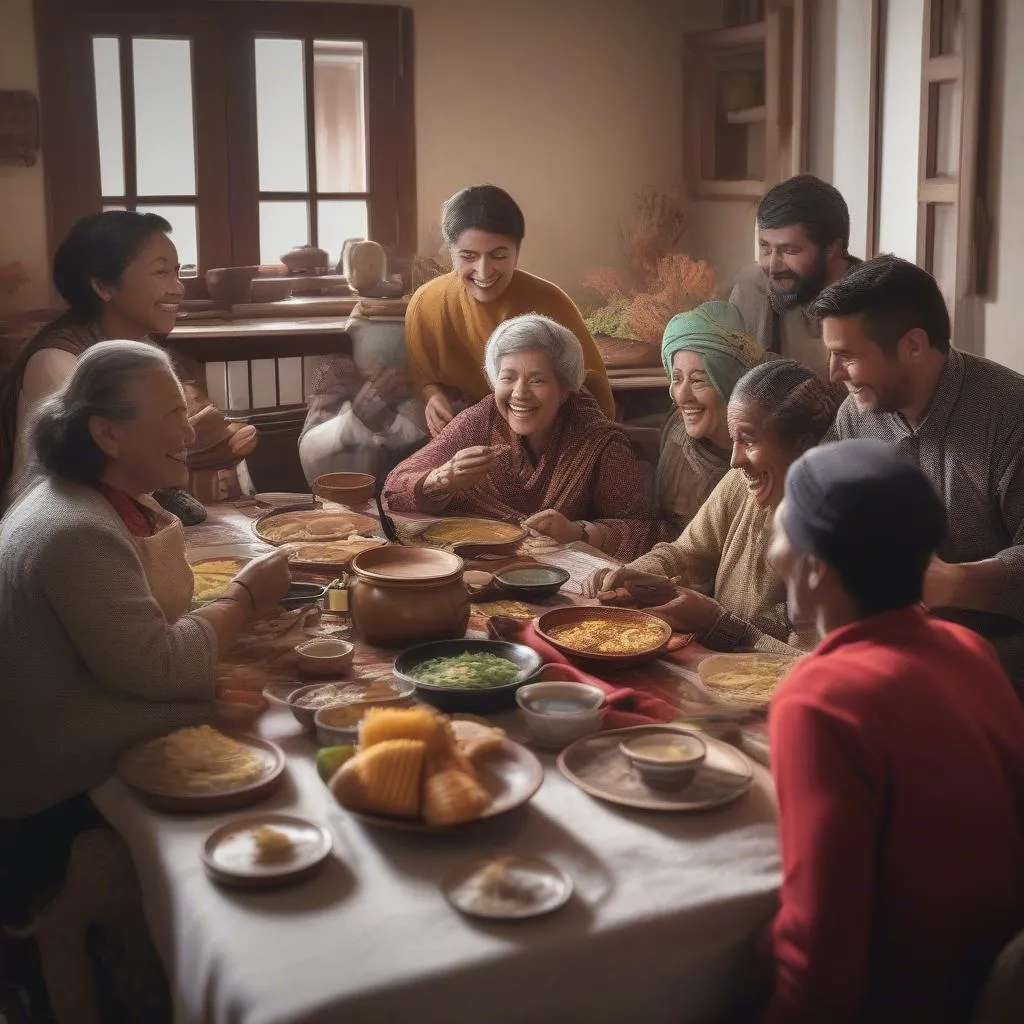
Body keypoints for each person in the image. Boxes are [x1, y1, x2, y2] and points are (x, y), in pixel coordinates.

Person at [0, 340, 290, 884]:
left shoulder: (108, 495)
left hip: (94, 705)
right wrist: (245, 598)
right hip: (48, 777)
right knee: (272, 729)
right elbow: (161, 668)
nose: (189, 433)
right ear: (107, 432)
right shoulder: (75, 528)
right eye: (173, 414)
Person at [761, 439, 1024, 1022]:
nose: (771, 549)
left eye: (781, 530)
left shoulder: (820, 701)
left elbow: (820, 954)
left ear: (813, 568)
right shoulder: (967, 648)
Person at [810, 255, 1024, 690]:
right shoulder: (857, 414)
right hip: (881, 655)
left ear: (913, 345)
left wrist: (949, 583)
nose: (832, 375)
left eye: (846, 356)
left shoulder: (1010, 414)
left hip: (993, 679)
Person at [0, 211, 250, 517]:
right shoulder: (59, 362)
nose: (178, 287)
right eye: (160, 273)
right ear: (103, 285)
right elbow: (77, 486)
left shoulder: (145, 351)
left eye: (177, 272)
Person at [599, 360, 836, 653]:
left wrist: (715, 623)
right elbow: (687, 552)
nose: (735, 461)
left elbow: (809, 670)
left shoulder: (838, 536)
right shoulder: (744, 482)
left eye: (748, 441)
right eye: (734, 440)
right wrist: (643, 573)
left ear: (804, 445)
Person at [384, 314, 655, 561]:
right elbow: (394, 489)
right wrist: (443, 478)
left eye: (537, 380)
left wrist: (578, 532)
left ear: (564, 390)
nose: (519, 393)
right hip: (477, 567)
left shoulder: (598, 442)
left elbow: (649, 532)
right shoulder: (481, 419)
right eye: (508, 378)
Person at [404, 184, 615, 434]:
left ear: (517, 251)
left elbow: (593, 388)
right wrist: (432, 396)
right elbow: (421, 376)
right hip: (461, 440)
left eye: (499, 256)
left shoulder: (551, 302)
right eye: (468, 256)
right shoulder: (427, 304)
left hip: (544, 438)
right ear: (451, 252)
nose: (484, 272)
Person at [730, 175, 859, 379]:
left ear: (833, 249)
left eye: (789, 250)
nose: (772, 266)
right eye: (765, 248)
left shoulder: (874, 298)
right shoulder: (753, 287)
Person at [656, 300, 764, 537]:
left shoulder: (765, 462)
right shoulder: (676, 436)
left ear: (728, 382)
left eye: (698, 380)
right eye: (676, 379)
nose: (682, 397)